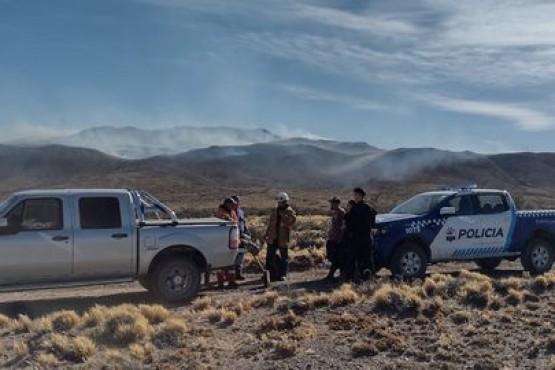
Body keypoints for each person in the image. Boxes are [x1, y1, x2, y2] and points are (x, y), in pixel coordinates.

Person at [343, 187, 377, 282]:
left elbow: (372, 217)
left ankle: (368, 278)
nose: (355, 197)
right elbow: (348, 220)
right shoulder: (354, 208)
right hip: (356, 237)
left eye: (356, 195)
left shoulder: (367, 207)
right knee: (355, 258)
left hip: (364, 237)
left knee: (366, 259)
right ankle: (357, 278)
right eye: (354, 195)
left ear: (361, 196)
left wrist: (372, 227)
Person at [264, 192, 297, 282]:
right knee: (269, 257)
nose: (279, 203)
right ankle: (267, 274)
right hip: (273, 237)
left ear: (285, 201)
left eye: (280, 202)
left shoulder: (290, 212)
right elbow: (270, 224)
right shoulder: (274, 211)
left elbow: (291, 222)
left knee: (284, 257)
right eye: (278, 202)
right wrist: (266, 234)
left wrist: (283, 215)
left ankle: (283, 275)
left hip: (283, 238)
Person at [215, 197, 239, 288]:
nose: (233, 206)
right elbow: (229, 222)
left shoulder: (232, 212)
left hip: (232, 240)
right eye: (232, 204)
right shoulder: (221, 212)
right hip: (222, 240)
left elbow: (235, 222)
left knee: (231, 261)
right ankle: (221, 282)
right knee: (221, 262)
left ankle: (231, 281)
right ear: (227, 204)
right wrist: (233, 222)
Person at [324, 196, 346, 282]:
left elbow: (343, 227)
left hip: (337, 239)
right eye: (331, 203)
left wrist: (340, 238)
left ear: (337, 203)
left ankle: (332, 275)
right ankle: (335, 274)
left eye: (333, 203)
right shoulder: (334, 212)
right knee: (333, 257)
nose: (331, 204)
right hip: (332, 237)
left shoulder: (341, 212)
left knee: (336, 257)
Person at [231, 195, 249, 281]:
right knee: (233, 255)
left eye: (238, 201)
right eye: (235, 201)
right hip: (233, 237)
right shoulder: (229, 212)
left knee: (240, 255)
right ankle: (231, 276)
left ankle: (238, 274)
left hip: (242, 236)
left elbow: (244, 223)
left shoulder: (241, 212)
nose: (237, 203)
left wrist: (247, 232)